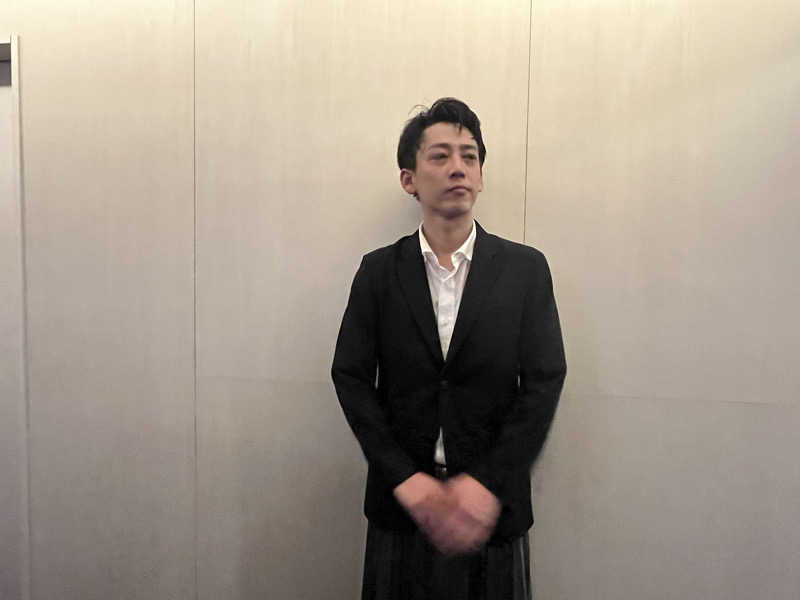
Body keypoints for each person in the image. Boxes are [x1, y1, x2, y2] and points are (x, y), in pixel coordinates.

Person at [332, 97, 566, 599]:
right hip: (403, 509)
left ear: (480, 177)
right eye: (439, 156)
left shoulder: (525, 270)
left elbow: (544, 382)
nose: (458, 167)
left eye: (470, 156)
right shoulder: (379, 272)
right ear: (409, 179)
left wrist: (487, 483)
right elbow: (350, 377)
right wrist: (404, 479)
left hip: (490, 512)